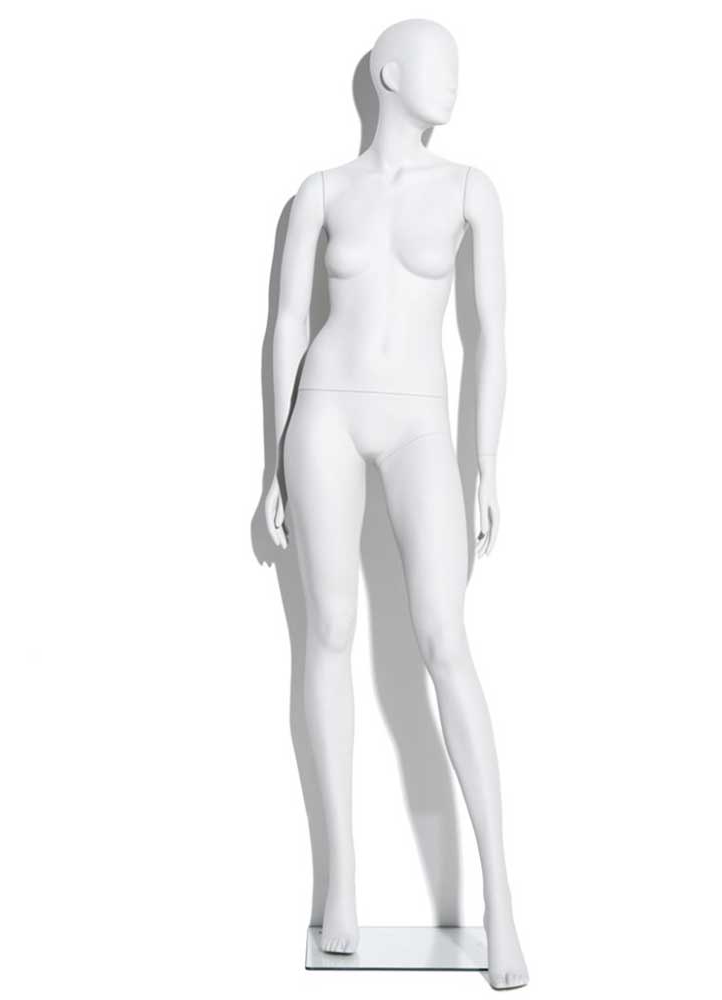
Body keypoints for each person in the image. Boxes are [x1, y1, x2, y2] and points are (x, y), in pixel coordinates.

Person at [263, 18, 529, 990]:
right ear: (388, 74)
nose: (452, 80)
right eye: (435, 64)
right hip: (325, 412)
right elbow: (287, 324)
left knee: (443, 639)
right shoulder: (320, 193)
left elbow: (491, 334)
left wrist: (485, 459)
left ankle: (501, 900)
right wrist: (271, 461)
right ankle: (339, 879)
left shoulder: (469, 190)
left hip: (419, 417)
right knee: (328, 632)